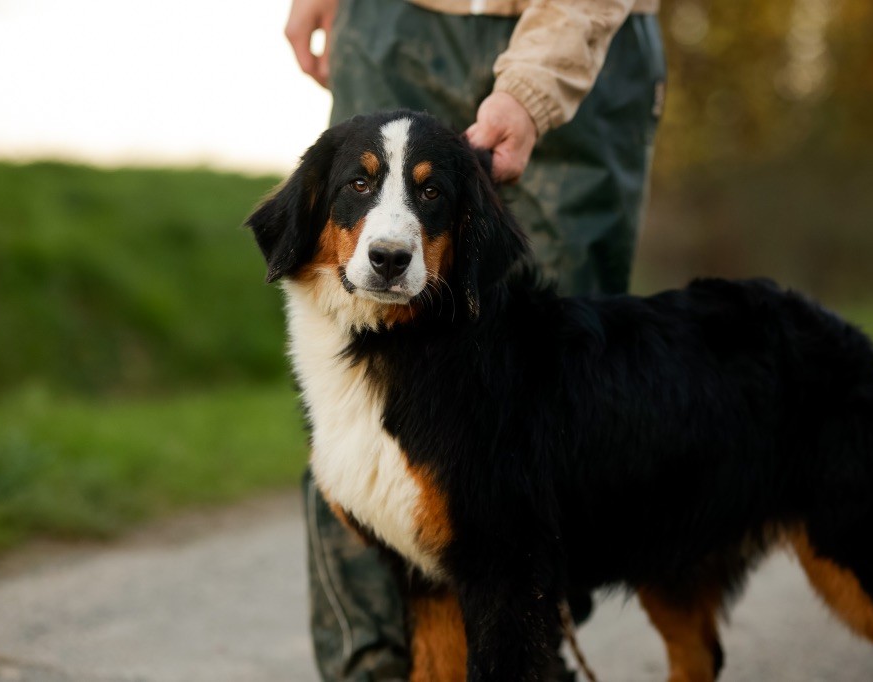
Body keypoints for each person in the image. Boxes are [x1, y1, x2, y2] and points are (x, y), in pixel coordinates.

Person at [285, 0, 665, 679]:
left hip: (581, 36)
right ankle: (369, 670)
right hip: (391, 21)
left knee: (560, 396)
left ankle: (523, 659)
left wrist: (533, 85)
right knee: (350, 373)